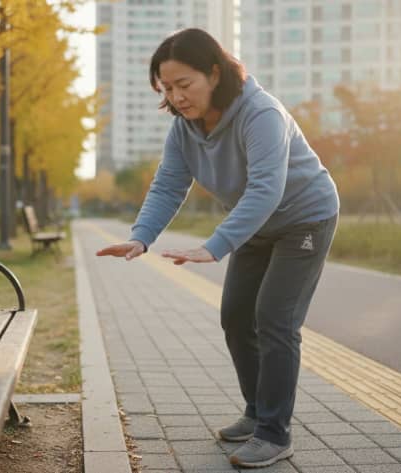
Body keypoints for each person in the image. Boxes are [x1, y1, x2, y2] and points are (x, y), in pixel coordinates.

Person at [96, 28, 339, 469]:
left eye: (184, 85)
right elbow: (169, 184)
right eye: (167, 88)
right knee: (236, 316)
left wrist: (217, 244)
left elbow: (267, 189)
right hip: (256, 226)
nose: (176, 97)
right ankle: (257, 411)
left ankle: (274, 432)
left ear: (214, 73)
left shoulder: (260, 113)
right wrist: (140, 237)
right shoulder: (184, 129)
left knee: (274, 319)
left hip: (304, 217)